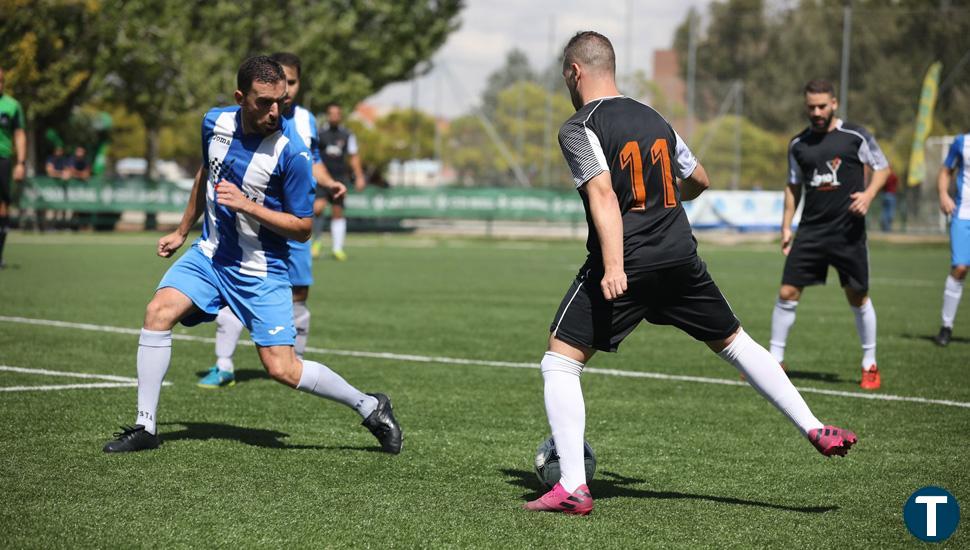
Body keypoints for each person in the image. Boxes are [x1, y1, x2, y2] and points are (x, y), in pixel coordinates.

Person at [523, 32, 856, 517]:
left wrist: (614, 264)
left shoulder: (579, 126)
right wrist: (664, 203)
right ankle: (813, 425)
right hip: (679, 255)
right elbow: (699, 179)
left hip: (629, 261)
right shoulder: (654, 117)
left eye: (565, 77)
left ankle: (572, 485)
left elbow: (602, 196)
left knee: (560, 362)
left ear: (575, 72)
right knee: (737, 343)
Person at [102, 56, 402, 454]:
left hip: (260, 269)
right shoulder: (214, 122)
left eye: (281, 101)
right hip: (211, 254)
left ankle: (370, 406)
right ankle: (145, 427)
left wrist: (248, 206)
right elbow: (205, 173)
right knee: (158, 312)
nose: (275, 111)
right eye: (264, 102)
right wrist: (181, 229)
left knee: (282, 368)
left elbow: (303, 228)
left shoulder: (291, 154)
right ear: (240, 98)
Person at [198, 52, 347, 388]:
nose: (288, 92)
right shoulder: (244, 117)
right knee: (234, 283)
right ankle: (223, 363)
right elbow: (213, 163)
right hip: (250, 229)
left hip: (292, 221)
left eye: (293, 83)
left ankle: (294, 361)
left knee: (299, 291)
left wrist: (329, 183)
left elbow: (315, 162)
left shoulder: (306, 122)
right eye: (284, 83)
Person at [769, 79, 890, 391]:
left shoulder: (855, 136)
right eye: (811, 107)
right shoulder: (798, 144)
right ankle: (774, 362)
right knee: (787, 293)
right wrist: (786, 225)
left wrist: (869, 195)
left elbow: (883, 168)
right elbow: (792, 185)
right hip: (811, 231)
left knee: (857, 296)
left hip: (848, 232)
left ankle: (869, 364)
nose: (817, 112)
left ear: (834, 103)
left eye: (822, 106)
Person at [311, 102, 366, 261]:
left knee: (337, 211)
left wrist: (359, 176)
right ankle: (317, 242)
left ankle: (337, 248)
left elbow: (354, 156)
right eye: (331, 113)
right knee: (318, 208)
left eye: (337, 113)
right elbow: (313, 154)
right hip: (322, 178)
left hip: (340, 179)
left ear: (340, 116)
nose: (334, 116)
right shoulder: (320, 133)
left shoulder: (347, 135)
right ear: (328, 115)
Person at [934, 132, 969, 346]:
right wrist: (943, 194)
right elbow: (946, 170)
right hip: (963, 215)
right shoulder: (962, 142)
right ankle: (946, 327)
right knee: (960, 268)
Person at [0, 67, 26, 268]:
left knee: (3, 206)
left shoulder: (12, 105)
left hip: (3, 158)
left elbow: (19, 134)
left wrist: (21, 162)